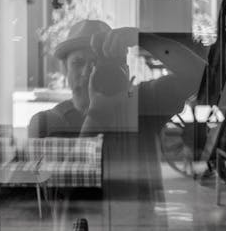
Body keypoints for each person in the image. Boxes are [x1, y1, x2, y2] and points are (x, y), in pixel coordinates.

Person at [28, 18, 207, 140]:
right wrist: (98, 114)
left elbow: (202, 76)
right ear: (64, 69)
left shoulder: (143, 102)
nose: (88, 72)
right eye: (78, 63)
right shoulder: (47, 123)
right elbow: (67, 190)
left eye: (98, 64)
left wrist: (143, 38)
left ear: (124, 69)